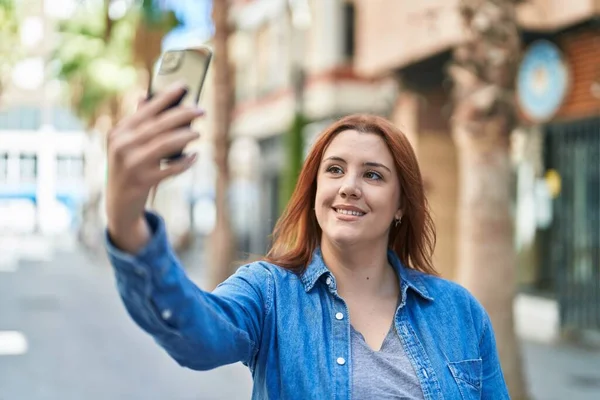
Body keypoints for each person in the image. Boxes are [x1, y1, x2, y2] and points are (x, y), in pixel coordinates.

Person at [105, 83, 510, 399]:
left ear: (401, 204)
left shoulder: (459, 312)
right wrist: (128, 224)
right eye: (334, 170)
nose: (349, 187)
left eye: (373, 175)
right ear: (315, 190)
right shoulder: (269, 293)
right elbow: (197, 336)